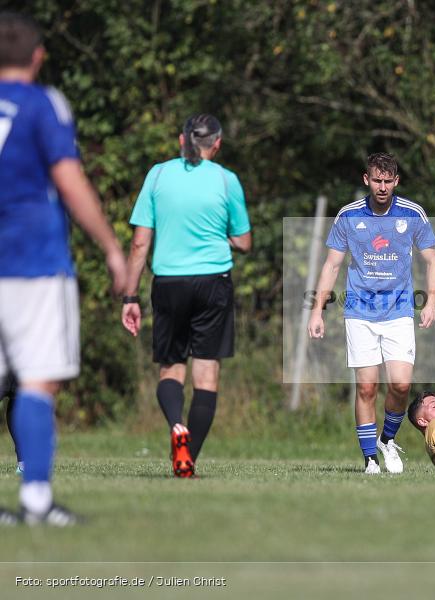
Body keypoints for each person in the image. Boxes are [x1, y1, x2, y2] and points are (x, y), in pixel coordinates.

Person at [0, 12, 127, 525]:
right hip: (33, 261)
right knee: (37, 381)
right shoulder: (44, 104)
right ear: (38, 56)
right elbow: (69, 179)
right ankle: (35, 501)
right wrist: (111, 248)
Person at [121, 114, 251, 478]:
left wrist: (129, 296)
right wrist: (221, 238)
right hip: (213, 281)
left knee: (171, 368)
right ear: (218, 143)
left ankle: (176, 425)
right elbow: (244, 241)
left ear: (182, 140)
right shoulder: (227, 180)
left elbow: (139, 242)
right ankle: (187, 458)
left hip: (169, 283)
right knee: (206, 374)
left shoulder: (158, 175)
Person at [308, 153, 435, 474]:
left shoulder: (412, 213)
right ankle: (370, 458)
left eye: (388, 181)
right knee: (367, 387)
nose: (382, 187)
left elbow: (432, 260)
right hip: (360, 313)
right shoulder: (349, 215)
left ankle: (387, 440)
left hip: (398, 313)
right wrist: (317, 311)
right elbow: (332, 265)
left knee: (400, 385)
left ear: (396, 181)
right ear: (366, 180)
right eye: (376, 180)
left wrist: (432, 301)